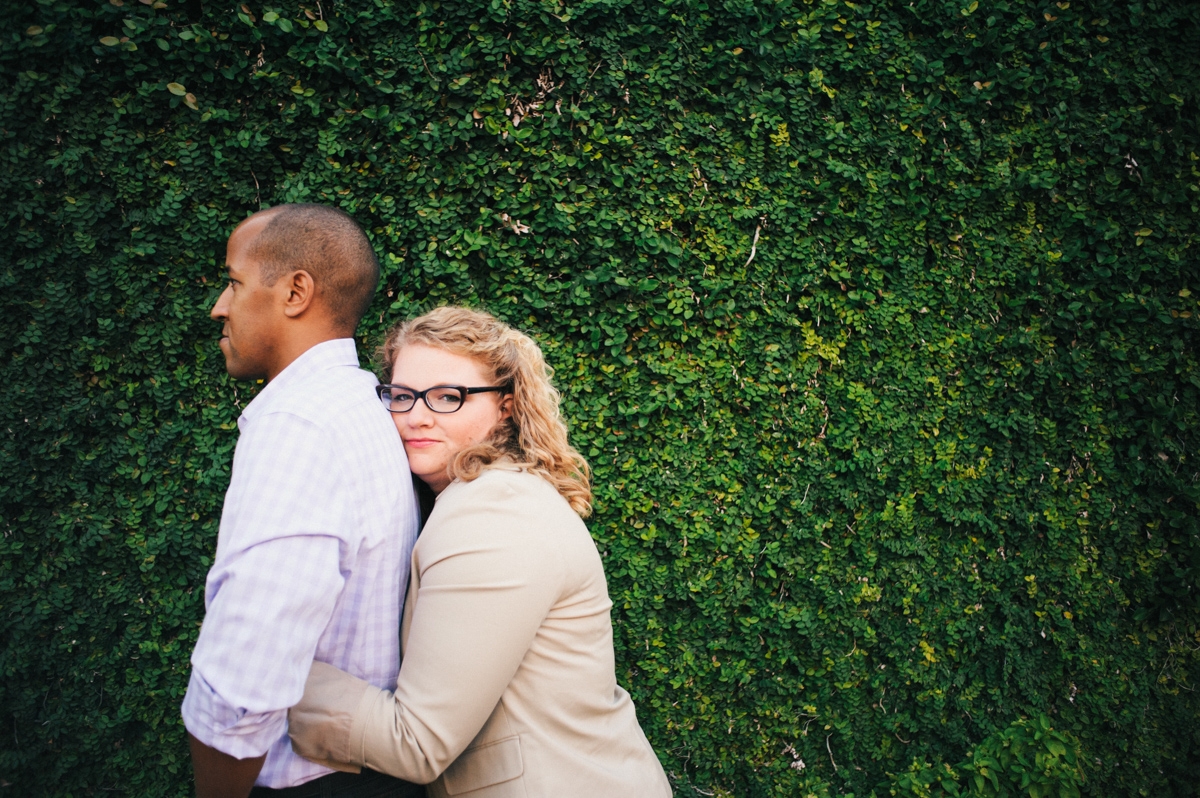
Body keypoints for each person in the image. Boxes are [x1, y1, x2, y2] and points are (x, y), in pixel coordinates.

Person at [286, 306, 673, 797]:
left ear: (506, 407)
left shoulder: (491, 514)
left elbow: (417, 742)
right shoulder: (483, 494)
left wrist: (276, 669)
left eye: (449, 397)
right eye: (402, 396)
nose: (416, 416)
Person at [180, 204, 423, 798]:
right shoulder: (362, 404)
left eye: (234, 282)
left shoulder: (300, 427)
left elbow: (244, 682)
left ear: (295, 292)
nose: (219, 304)